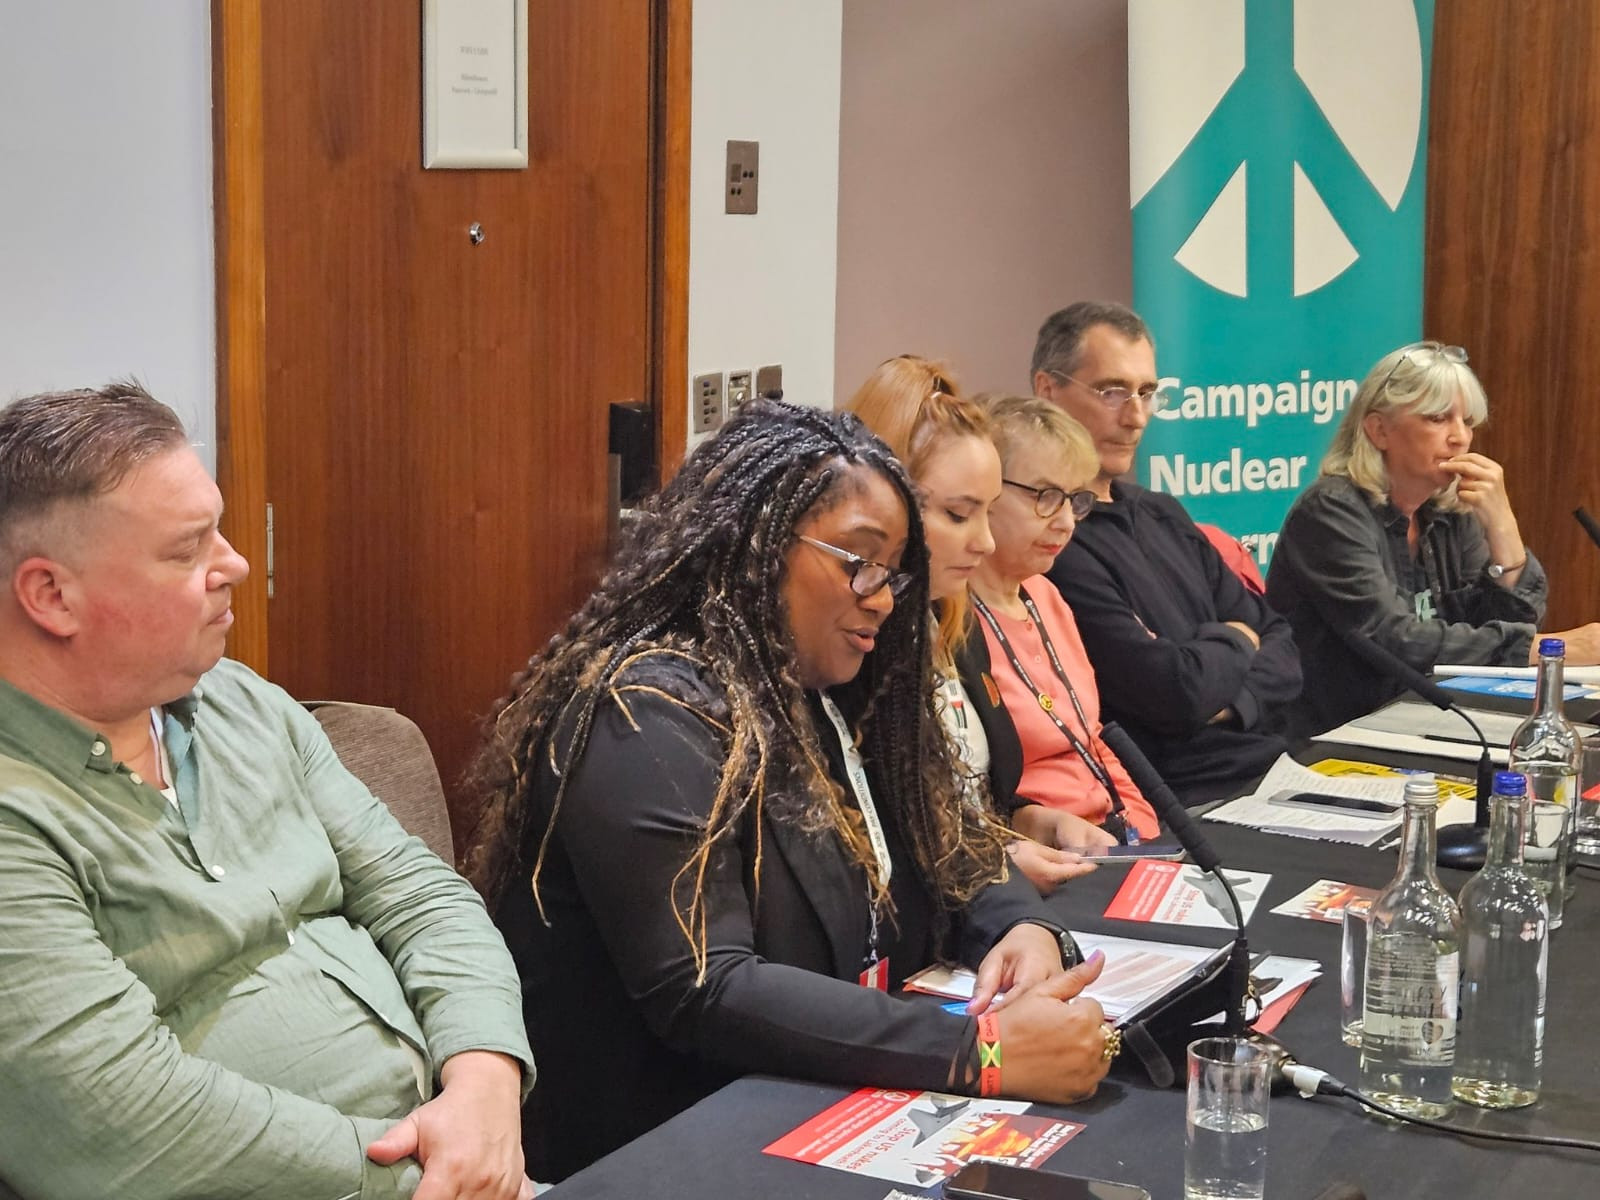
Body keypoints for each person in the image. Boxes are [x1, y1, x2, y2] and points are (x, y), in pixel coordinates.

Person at [464, 400, 1115, 1181]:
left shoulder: (829, 690)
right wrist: (975, 1051)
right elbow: (709, 986)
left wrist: (1023, 931)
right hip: (668, 1145)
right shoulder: (646, 713)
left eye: (894, 570)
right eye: (858, 560)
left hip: (816, 1110)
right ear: (758, 546)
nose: (882, 596)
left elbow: (950, 842)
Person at [0, 383, 536, 1200]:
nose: (237, 565)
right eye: (187, 550)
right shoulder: (16, 810)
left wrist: (486, 1085)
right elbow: (114, 1120)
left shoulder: (240, 701)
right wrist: (438, 1173)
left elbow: (421, 895)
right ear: (52, 596)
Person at [847, 356, 1114, 893]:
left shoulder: (947, 621)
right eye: (957, 514)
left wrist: (1028, 820)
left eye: (987, 512)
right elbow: (876, 850)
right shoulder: (849, 651)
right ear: (883, 506)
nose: (984, 542)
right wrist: (999, 866)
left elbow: (968, 803)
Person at [1031, 301, 1302, 805]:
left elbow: (1283, 644)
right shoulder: (1053, 542)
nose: (1135, 417)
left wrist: (1228, 701)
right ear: (1048, 390)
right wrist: (1237, 644)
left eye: (1147, 393)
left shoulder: (1161, 512)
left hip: (1274, 774)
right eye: (1112, 392)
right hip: (1184, 802)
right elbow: (1172, 692)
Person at [1266, 341, 1600, 734]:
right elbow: (1394, 639)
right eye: (1438, 418)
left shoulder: (1448, 511)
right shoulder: (1330, 511)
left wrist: (1503, 526)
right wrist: (1548, 652)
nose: (1460, 437)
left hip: (1431, 724)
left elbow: (1500, 626)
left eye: (1468, 421)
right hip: (1334, 736)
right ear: (1379, 430)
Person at [967, 395, 1160, 846]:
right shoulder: (954, 618)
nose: (1066, 523)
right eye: (1046, 497)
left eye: (1075, 500)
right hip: (1043, 852)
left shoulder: (1045, 594)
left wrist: (1146, 832)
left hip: (1112, 837)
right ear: (986, 494)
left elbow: (1091, 739)